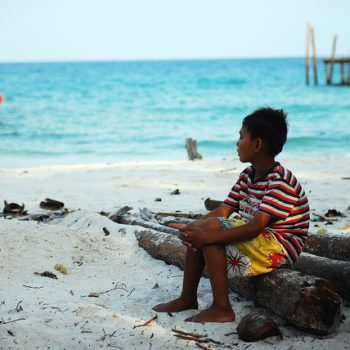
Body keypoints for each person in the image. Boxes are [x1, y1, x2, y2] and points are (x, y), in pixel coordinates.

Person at [153, 107, 310, 323]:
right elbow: (224, 210)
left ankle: (222, 308)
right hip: (260, 237)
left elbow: (256, 226)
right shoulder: (248, 175)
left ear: (257, 144)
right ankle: (187, 298)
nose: (237, 142)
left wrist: (207, 237)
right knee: (202, 230)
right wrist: (193, 228)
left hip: (279, 247)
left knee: (209, 238)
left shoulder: (280, 182)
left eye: (241, 136)